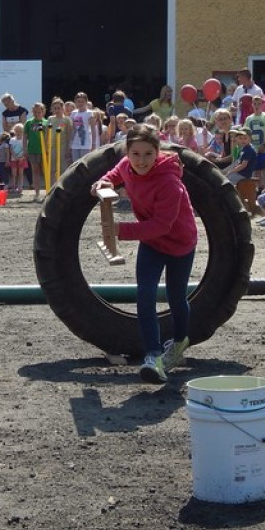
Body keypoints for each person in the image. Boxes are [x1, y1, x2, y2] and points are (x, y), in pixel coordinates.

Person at [90, 123, 197, 384]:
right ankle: (153, 356)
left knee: (176, 296)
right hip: (152, 244)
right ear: (127, 153)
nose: (141, 161)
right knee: (145, 294)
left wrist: (119, 230)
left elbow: (162, 226)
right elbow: (115, 173)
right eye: (135, 154)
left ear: (157, 152)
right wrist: (103, 181)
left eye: (148, 154)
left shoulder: (169, 182)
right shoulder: (127, 165)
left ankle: (180, 341)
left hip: (179, 242)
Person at [244, 95, 265, 186]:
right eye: (255, 104)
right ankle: (258, 188)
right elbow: (245, 133)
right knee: (255, 169)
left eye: (259, 104)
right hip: (254, 149)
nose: (256, 106)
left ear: (262, 104)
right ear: (252, 104)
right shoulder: (249, 119)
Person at [24, 102, 48, 200]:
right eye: (35, 112)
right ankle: (37, 192)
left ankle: (48, 191)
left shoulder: (46, 122)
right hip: (33, 149)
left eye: (39, 112)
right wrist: (25, 149)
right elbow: (25, 137)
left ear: (43, 112)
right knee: (35, 171)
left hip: (44, 150)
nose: (37, 114)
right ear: (32, 112)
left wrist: (48, 149)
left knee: (45, 170)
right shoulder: (29, 123)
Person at [69, 92, 96, 162]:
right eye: (78, 101)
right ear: (75, 102)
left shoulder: (89, 113)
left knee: (84, 163)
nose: (80, 103)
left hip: (86, 143)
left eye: (82, 101)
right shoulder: (74, 113)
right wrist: (70, 142)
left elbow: (93, 130)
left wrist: (93, 144)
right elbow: (73, 129)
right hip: (75, 143)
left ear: (86, 102)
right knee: (75, 163)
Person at [9, 122, 26, 193]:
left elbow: (25, 149)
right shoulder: (12, 140)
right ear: (14, 131)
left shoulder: (24, 140)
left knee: (21, 174)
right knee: (14, 174)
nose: (18, 132)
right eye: (17, 131)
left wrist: (22, 157)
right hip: (14, 159)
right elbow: (11, 149)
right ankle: (13, 187)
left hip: (22, 159)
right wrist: (15, 156)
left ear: (23, 132)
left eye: (20, 131)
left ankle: (20, 187)